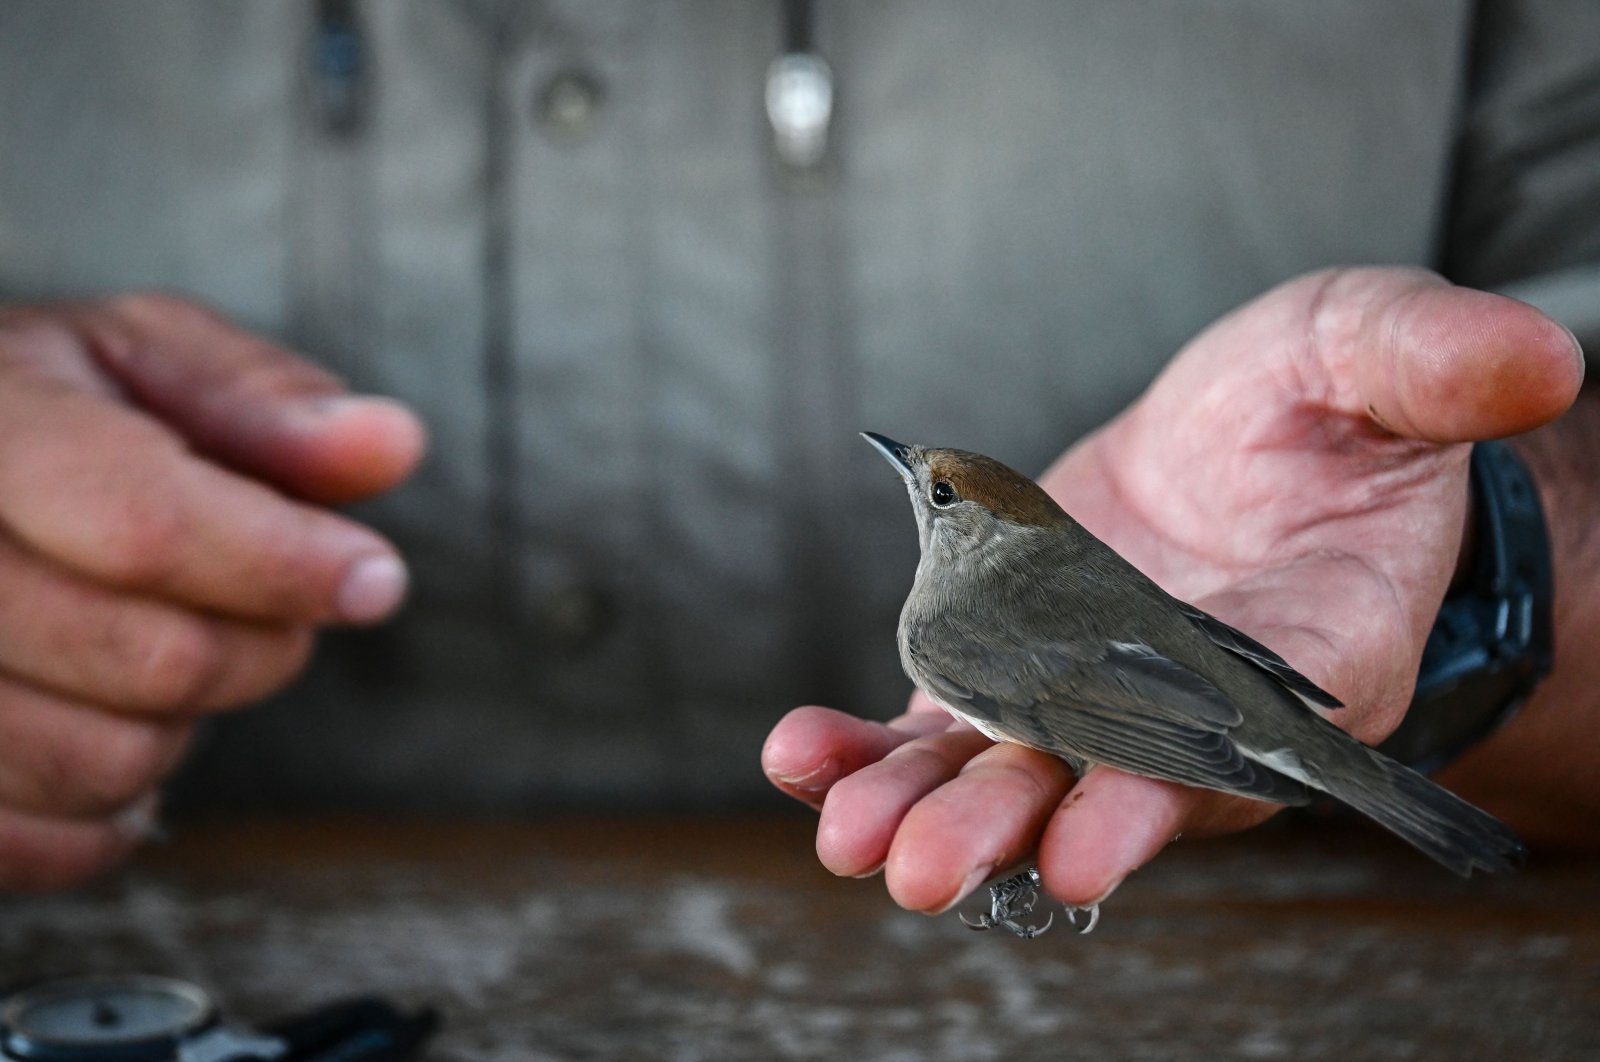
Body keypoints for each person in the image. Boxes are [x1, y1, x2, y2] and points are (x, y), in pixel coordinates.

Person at [0, 1, 1597, 902]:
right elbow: (1172, 665)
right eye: (929, 481)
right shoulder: (991, 591)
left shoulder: (947, 628)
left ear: (975, 526)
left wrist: (1491, 555)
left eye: (936, 486)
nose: (916, 480)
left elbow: (1128, 705)